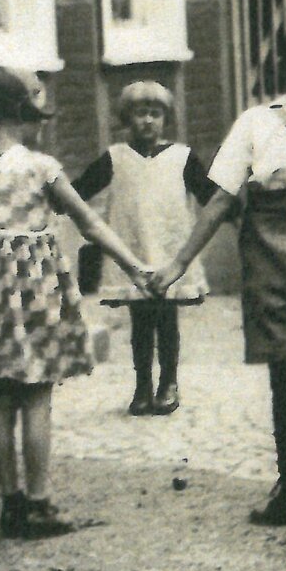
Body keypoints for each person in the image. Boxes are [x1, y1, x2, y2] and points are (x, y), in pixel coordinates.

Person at [151, 21, 286, 528]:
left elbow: (219, 201)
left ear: (277, 67)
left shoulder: (255, 122)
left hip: (270, 251)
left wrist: (179, 263)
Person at [0, 67, 152, 540]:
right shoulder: (40, 168)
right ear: (20, 114)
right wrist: (135, 265)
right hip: (33, 294)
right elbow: (89, 223)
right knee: (35, 397)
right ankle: (38, 501)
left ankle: (9, 504)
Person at [72, 80, 216, 416]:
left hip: (170, 252)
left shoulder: (183, 157)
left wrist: (240, 212)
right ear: (127, 118)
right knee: (139, 323)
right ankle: (142, 385)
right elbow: (78, 191)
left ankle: (168, 382)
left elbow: (211, 197)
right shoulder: (115, 158)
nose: (148, 121)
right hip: (133, 253)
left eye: (156, 114)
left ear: (166, 118)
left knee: (166, 320)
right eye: (140, 113)